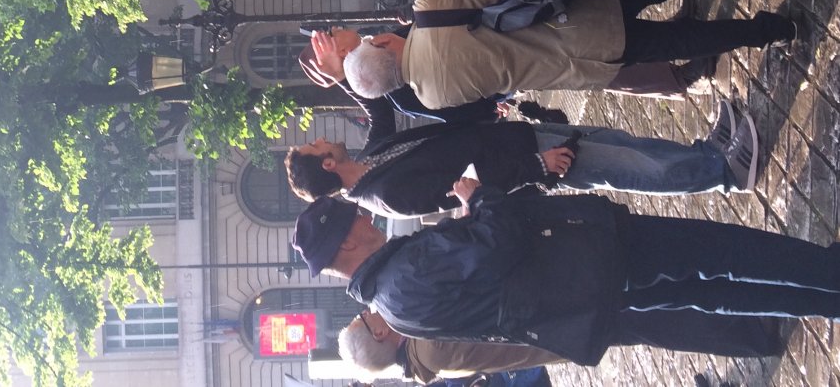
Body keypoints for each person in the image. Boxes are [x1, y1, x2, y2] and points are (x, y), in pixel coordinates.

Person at [293, 190, 840, 367]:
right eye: (354, 220)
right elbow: (499, 241)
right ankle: (827, 273)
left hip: (592, 286)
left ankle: (827, 294)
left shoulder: (394, 301)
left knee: (717, 291)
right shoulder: (401, 277)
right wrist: (477, 198)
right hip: (596, 259)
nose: (366, 218)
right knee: (732, 254)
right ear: (345, 244)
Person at [340, 0, 794, 108]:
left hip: (585, 61)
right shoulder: (428, 11)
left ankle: (771, 31)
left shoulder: (437, 98)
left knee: (680, 42)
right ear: (381, 44)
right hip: (578, 8)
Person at [284, 92, 761, 214]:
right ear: (327, 164)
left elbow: (379, 108)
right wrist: (536, 168)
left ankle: (707, 152)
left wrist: (342, 73)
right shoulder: (386, 196)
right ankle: (725, 173)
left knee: (623, 144)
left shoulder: (372, 158)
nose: (321, 138)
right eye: (316, 145)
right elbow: (467, 190)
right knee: (630, 168)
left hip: (518, 137)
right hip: (532, 159)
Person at [339, 307, 782, 383]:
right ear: (379, 335)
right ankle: (752, 336)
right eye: (365, 317)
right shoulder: (429, 344)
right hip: (561, 321)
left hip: (561, 330)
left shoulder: (425, 355)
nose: (371, 311)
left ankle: (749, 332)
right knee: (656, 323)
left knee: (651, 323)